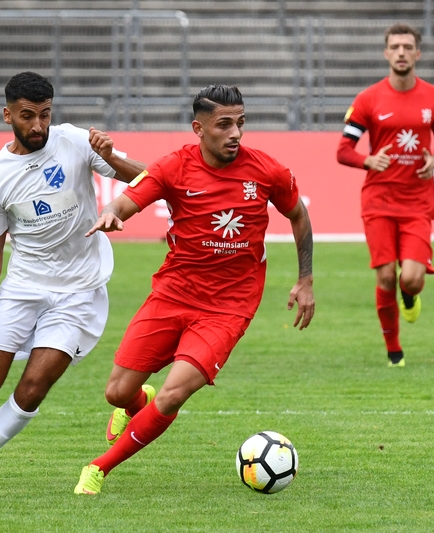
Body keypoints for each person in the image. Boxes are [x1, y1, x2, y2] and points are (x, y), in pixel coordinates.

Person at [72, 84, 315, 495]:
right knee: (117, 392)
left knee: (173, 394)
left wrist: (305, 277)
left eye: (240, 123)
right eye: (224, 124)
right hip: (174, 293)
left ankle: (98, 468)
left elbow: (298, 214)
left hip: (230, 306)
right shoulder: (173, 167)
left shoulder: (267, 171)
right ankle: (136, 404)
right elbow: (129, 200)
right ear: (198, 129)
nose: (235, 133)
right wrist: (112, 214)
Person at [0, 71, 146, 487]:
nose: (38, 126)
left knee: (33, 386)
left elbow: (149, 179)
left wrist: (112, 157)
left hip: (79, 292)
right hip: (24, 288)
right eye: (28, 116)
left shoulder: (75, 141)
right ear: (7, 115)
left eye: (45, 115)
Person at [336, 23, 434, 368]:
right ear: (386, 53)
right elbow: (343, 150)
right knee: (385, 275)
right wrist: (367, 159)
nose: (401, 52)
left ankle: (409, 294)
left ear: (418, 53)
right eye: (395, 47)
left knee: (411, 278)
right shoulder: (368, 99)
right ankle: (394, 350)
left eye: (407, 46)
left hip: (418, 200)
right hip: (379, 200)